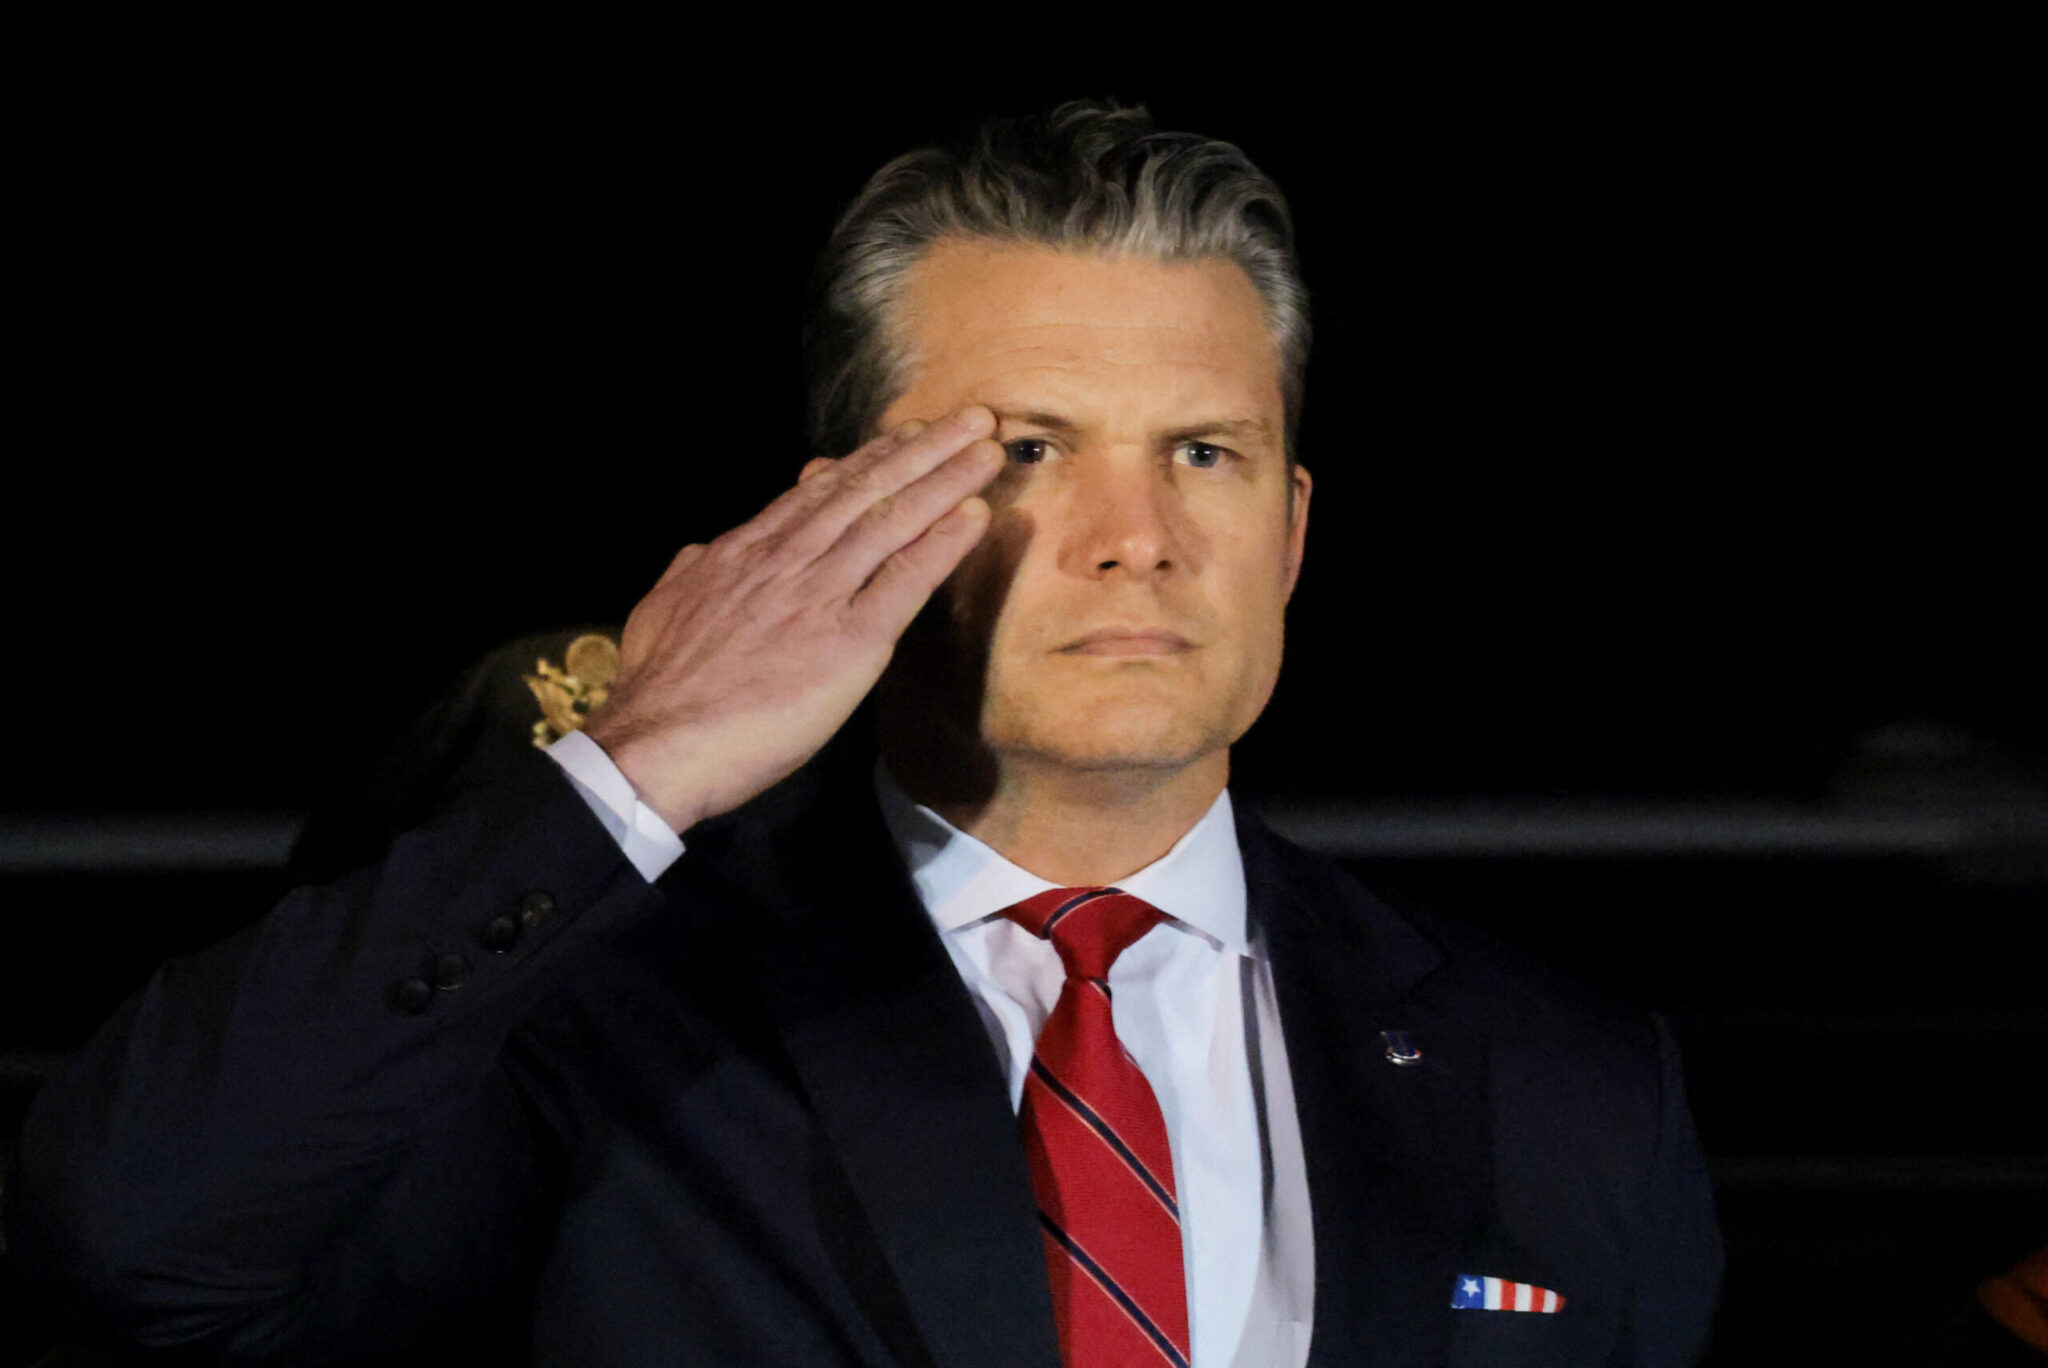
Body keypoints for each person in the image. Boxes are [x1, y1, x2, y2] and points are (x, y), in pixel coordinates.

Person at [7, 101, 1722, 1367]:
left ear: (1290, 530)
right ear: (842, 518)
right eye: (1030, 450)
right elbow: (128, 1243)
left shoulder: (1568, 1088)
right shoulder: (609, 1014)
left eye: (1205, 452)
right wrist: (640, 764)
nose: (1138, 535)